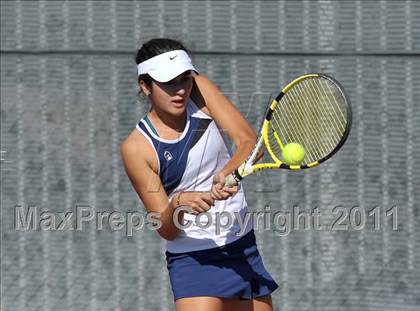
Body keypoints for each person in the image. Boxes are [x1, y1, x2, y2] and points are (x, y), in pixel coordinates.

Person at [121, 38, 279, 311]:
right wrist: (179, 204)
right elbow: (166, 229)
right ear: (144, 86)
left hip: (242, 246)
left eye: (184, 78)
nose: (180, 90)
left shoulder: (199, 90)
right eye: (168, 82)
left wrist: (227, 174)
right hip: (194, 260)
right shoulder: (136, 148)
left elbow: (250, 143)